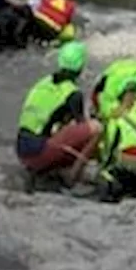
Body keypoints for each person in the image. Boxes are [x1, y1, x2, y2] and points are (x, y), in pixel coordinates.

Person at [17, 42, 102, 187]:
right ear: (81, 67)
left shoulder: (43, 83)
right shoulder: (73, 94)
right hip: (39, 152)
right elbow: (83, 128)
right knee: (96, 129)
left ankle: (48, 169)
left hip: (21, 148)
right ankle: (73, 177)